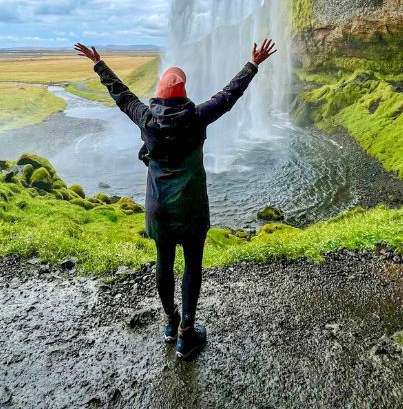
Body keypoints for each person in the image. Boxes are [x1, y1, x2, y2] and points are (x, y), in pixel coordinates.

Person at [72, 39, 276, 361]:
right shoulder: (196, 117)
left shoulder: (147, 120)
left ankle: (171, 322)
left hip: (159, 210)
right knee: (193, 265)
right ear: (182, 93)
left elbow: (122, 95)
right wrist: (253, 64)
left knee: (163, 264)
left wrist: (98, 64)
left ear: (160, 93)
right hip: (192, 208)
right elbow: (228, 96)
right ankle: (186, 335)